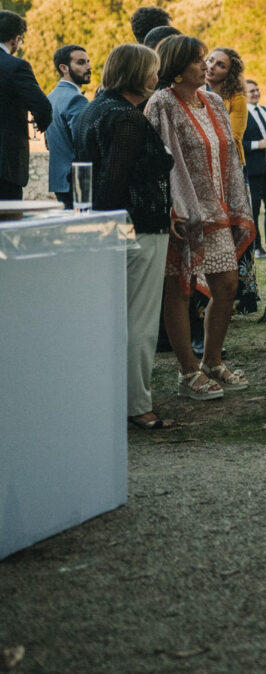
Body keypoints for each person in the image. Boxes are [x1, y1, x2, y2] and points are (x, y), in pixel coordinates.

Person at [144, 35, 256, 400]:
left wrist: (233, 202)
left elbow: (229, 153)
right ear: (176, 68)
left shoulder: (213, 101)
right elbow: (157, 161)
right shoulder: (162, 103)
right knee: (179, 290)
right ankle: (188, 371)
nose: (205, 66)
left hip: (216, 208)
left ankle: (212, 361)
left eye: (205, 59)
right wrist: (171, 207)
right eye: (197, 60)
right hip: (182, 213)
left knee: (227, 286)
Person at [73, 44, 178, 428]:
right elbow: (112, 182)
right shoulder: (126, 118)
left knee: (117, 318)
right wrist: (121, 232)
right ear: (136, 73)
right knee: (140, 321)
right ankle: (136, 405)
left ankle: (113, 398)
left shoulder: (95, 109)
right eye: (152, 70)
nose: (157, 77)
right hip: (137, 229)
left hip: (115, 227)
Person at [205, 46, 257, 313]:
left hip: (231, 170)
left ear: (229, 73)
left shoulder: (236, 99)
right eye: (210, 60)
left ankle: (240, 294)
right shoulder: (194, 91)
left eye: (220, 65)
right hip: (203, 170)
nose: (212, 66)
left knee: (235, 227)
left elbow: (233, 136)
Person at [0, 10, 51, 201]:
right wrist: (40, 123)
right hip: (5, 165)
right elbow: (42, 107)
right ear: (16, 40)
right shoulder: (15, 67)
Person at [45, 44, 91, 207]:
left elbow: (49, 142)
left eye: (88, 61)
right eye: (81, 62)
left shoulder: (50, 97)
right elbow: (84, 142)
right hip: (77, 179)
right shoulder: (76, 99)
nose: (88, 67)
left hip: (59, 180)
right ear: (63, 68)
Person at [242, 79, 266, 258]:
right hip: (254, 170)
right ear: (244, 94)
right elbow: (237, 143)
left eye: (257, 90)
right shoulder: (241, 115)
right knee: (254, 210)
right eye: (251, 91)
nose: (256, 93)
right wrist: (258, 144)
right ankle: (257, 248)